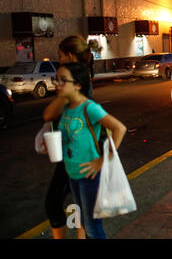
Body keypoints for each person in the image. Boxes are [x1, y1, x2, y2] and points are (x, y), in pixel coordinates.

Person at [52, 62, 127, 239]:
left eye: (63, 80)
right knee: (85, 223)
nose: (57, 84)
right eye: (56, 80)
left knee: (92, 227)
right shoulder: (66, 108)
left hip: (89, 176)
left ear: (78, 85)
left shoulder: (89, 108)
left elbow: (119, 129)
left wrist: (102, 160)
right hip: (73, 174)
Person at [42, 35, 97, 239]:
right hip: (77, 147)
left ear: (70, 55)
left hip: (76, 150)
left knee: (54, 202)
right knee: (78, 201)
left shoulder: (74, 78)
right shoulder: (82, 74)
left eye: (60, 55)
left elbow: (49, 113)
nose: (59, 59)